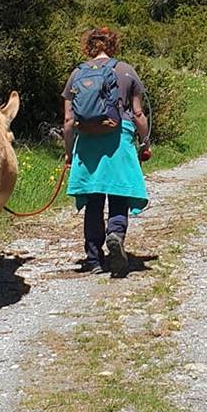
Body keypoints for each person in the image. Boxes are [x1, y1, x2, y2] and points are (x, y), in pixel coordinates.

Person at [62, 26, 150, 276]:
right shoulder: (125, 70)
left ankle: (93, 259)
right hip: (118, 138)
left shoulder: (77, 73)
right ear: (112, 45)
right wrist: (145, 141)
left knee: (93, 198)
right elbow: (138, 114)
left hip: (88, 141)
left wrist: (69, 153)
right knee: (119, 192)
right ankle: (116, 233)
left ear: (89, 46)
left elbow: (68, 120)